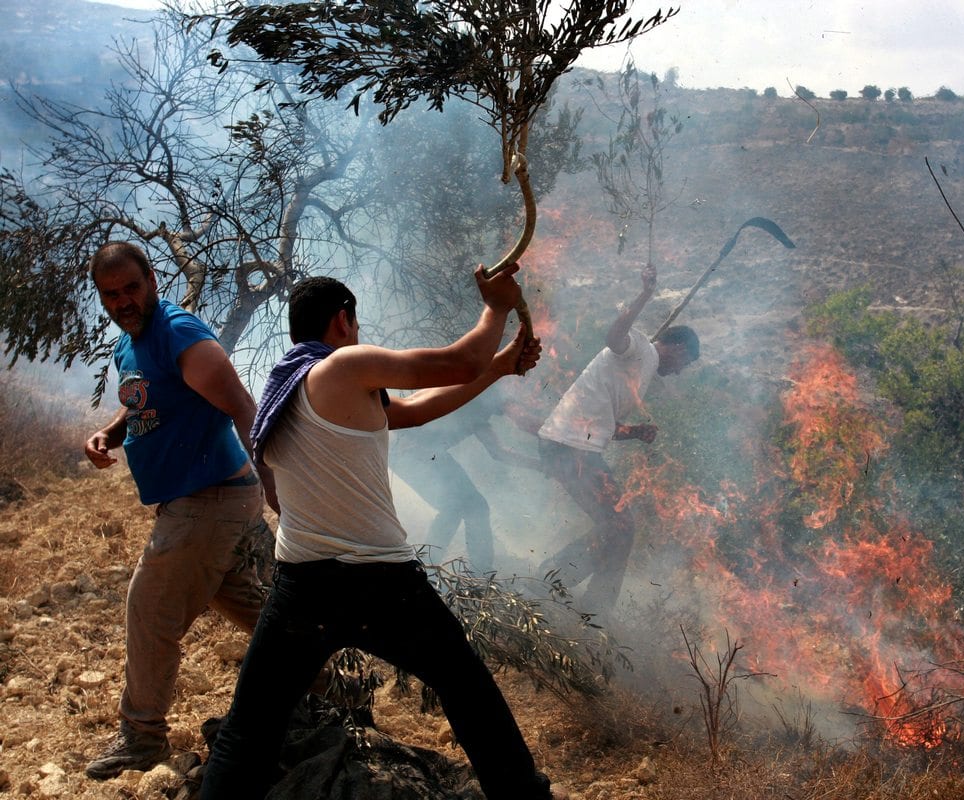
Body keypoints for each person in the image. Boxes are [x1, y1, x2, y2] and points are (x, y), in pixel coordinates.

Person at [200, 266, 554, 800]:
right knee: (469, 694)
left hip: (302, 588)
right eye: (356, 323)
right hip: (382, 586)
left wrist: (501, 368)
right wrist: (497, 307)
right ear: (343, 320)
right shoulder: (346, 365)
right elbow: (459, 361)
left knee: (249, 731)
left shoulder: (289, 388)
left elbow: (410, 413)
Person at [82, 241, 274, 780]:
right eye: (111, 294)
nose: (123, 300)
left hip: (209, 498)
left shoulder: (179, 331)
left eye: (132, 288)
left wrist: (278, 488)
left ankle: (141, 738)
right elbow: (146, 398)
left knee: (150, 611)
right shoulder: (133, 341)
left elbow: (241, 405)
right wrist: (110, 432)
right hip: (199, 501)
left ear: (152, 280)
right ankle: (334, 688)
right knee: (254, 610)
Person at [537, 263, 699, 613]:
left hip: (576, 447)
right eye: (685, 364)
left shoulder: (642, 370)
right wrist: (644, 295)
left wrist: (635, 432)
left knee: (621, 530)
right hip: (568, 446)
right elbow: (613, 336)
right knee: (618, 525)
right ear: (681, 349)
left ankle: (594, 612)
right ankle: (548, 582)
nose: (680, 372)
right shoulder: (641, 349)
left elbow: (604, 425)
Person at [391, 388, 539, 573]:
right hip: (409, 454)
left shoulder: (479, 415)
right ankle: (433, 569)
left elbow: (498, 452)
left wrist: (543, 467)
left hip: (431, 454)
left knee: (472, 507)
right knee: (458, 508)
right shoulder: (468, 394)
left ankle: (477, 573)